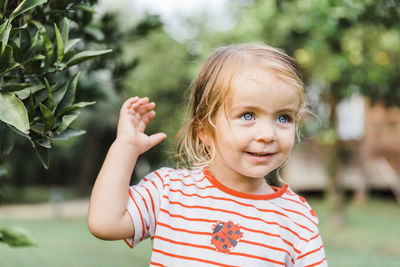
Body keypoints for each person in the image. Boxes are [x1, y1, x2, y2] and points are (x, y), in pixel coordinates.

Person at [88, 43, 328, 266]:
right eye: (247, 115)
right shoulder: (169, 192)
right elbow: (104, 223)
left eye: (283, 117)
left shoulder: (296, 218)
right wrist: (125, 147)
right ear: (204, 131)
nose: (268, 134)